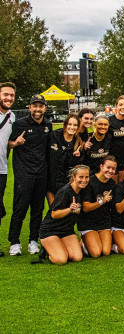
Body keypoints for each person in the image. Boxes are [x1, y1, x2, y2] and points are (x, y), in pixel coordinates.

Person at [8, 94, 52, 256]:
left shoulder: (48, 124)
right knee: (19, 209)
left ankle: (33, 240)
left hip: (41, 174)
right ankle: (14, 242)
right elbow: (8, 144)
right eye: (35, 106)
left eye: (41, 106)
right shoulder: (19, 124)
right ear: (30, 107)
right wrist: (15, 143)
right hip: (23, 174)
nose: (38, 109)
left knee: (37, 210)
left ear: (45, 108)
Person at [39, 165, 89, 265]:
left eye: (86, 177)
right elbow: (54, 214)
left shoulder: (83, 191)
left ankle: (59, 246)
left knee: (77, 257)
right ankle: (46, 249)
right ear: (73, 177)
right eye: (81, 177)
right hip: (50, 230)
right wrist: (69, 209)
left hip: (67, 231)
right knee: (61, 260)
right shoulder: (65, 191)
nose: (84, 180)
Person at [78, 156, 117, 258]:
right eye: (108, 167)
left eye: (113, 169)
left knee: (106, 252)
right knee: (96, 253)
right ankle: (83, 242)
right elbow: (85, 207)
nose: (110, 171)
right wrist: (102, 201)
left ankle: (97, 241)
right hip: (88, 222)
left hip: (103, 222)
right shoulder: (90, 182)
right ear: (101, 166)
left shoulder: (112, 183)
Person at [47, 114, 83, 205]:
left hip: (66, 185)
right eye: (70, 124)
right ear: (65, 125)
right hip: (50, 183)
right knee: (53, 212)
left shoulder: (78, 143)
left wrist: (76, 157)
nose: (72, 127)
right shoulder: (54, 136)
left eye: (75, 125)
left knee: (64, 212)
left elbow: (75, 169)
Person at [0, 82, 16, 257]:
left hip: (2, 169)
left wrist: (13, 144)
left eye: (11, 95)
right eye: (5, 94)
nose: (9, 98)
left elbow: (8, 142)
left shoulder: (12, 117)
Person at [108, 95, 124, 182]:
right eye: (121, 105)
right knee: (113, 186)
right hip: (112, 160)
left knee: (123, 187)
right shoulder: (109, 121)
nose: (123, 107)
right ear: (116, 106)